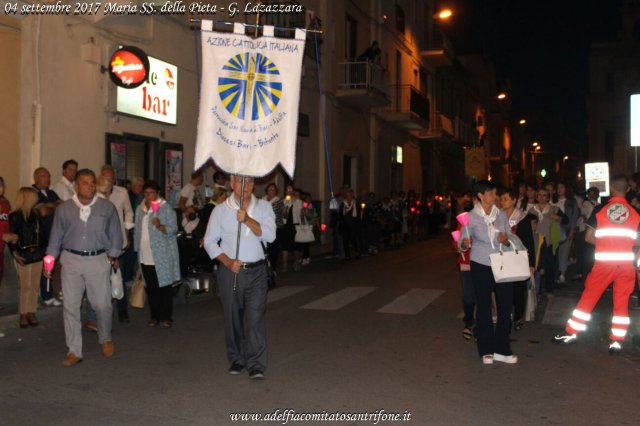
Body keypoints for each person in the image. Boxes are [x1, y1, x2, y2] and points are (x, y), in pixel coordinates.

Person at [554, 175, 640, 354]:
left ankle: (571, 333)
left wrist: (606, 242)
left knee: (589, 297)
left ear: (612, 189)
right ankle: (616, 342)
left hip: (604, 264)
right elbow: (637, 241)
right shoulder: (635, 212)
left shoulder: (601, 210)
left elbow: (588, 238)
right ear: (626, 189)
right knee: (621, 302)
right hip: (626, 266)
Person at [45, 169, 123, 366]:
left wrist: (114, 255)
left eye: (92, 183)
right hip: (71, 260)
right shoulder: (64, 210)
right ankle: (74, 350)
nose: (90, 186)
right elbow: (55, 237)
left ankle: (105, 337)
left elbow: (115, 234)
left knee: (102, 305)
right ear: (76, 186)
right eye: (85, 183)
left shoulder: (107, 208)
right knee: (70, 306)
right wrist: (50, 260)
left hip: (97, 260)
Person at [203, 175, 276, 380]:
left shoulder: (264, 207)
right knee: (233, 317)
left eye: (250, 182)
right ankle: (237, 358)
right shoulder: (220, 210)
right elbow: (209, 242)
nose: (245, 186)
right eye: (240, 181)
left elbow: (270, 236)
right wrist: (226, 261)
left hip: (257, 271)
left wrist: (248, 220)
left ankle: (256, 364)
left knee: (255, 318)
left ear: (254, 184)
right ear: (232, 184)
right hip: (231, 271)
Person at [459, 180, 517, 365]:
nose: (495, 196)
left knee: (505, 304)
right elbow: (461, 242)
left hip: (501, 262)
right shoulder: (470, 217)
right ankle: (486, 350)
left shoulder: (500, 215)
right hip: (480, 264)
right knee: (483, 306)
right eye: (491, 193)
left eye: (495, 193)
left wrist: (505, 239)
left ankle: (502, 349)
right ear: (481, 196)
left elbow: (509, 237)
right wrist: (464, 244)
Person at [134, 180, 180, 329]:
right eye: (146, 193)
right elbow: (137, 231)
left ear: (158, 193)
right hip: (145, 254)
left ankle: (167, 316)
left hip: (162, 255)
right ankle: (154, 316)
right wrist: (136, 250)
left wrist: (159, 226)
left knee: (165, 287)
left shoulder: (166, 209)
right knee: (151, 287)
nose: (148, 196)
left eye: (151, 193)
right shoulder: (140, 209)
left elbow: (173, 230)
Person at [9, 187, 47, 328]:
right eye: (34, 196)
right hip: (23, 253)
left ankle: (32, 310)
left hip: (37, 253)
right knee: (25, 285)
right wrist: (15, 253)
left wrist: (45, 251)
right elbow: (12, 237)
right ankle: (23, 313)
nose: (36, 198)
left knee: (34, 285)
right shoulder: (15, 216)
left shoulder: (35, 214)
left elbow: (42, 235)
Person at [101, 165, 135, 323]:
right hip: (100, 240)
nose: (109, 180)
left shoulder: (122, 192)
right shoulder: (96, 193)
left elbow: (128, 211)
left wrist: (127, 233)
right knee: (101, 277)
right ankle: (103, 309)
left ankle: (122, 309)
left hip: (117, 237)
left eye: (111, 177)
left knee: (117, 273)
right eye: (105, 177)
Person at [33, 167, 63, 307]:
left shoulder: (51, 192)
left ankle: (48, 294)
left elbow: (63, 206)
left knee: (50, 265)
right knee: (40, 267)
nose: (47, 179)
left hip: (53, 235)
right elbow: (43, 212)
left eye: (49, 176)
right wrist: (53, 206)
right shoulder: (32, 192)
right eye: (44, 176)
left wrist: (50, 205)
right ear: (36, 178)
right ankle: (43, 296)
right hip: (38, 237)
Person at [574, 187, 600, 280]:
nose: (591, 195)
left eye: (594, 193)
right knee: (584, 252)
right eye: (590, 193)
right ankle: (582, 273)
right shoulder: (585, 203)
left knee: (591, 253)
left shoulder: (599, 204)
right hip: (585, 230)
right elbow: (585, 215)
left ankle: (591, 272)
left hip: (595, 231)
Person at [263, 183, 285, 272]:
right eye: (270, 189)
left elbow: (283, 214)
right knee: (265, 248)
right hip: (264, 227)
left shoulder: (279, 201)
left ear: (276, 191)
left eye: (273, 189)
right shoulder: (262, 200)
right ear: (267, 190)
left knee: (273, 249)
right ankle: (265, 268)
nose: (271, 191)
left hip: (276, 227)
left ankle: (273, 268)